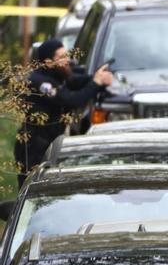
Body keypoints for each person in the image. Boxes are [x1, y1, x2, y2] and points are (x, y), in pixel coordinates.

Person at [19, 39, 113, 183]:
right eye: (62, 57)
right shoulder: (41, 83)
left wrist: (96, 77)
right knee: (34, 190)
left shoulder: (54, 76)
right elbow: (71, 100)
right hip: (34, 151)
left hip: (49, 145)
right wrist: (96, 83)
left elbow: (73, 81)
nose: (67, 60)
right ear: (49, 62)